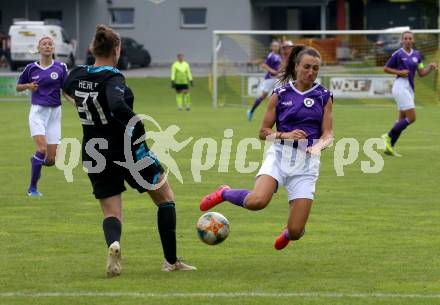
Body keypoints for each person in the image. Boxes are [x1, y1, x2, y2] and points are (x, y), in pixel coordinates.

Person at [63, 25, 196, 277]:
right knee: (165, 199)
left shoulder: (77, 74)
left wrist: (81, 106)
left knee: (112, 213)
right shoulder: (113, 77)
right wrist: (139, 126)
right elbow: (117, 105)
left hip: (94, 151)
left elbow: (66, 86)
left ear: (92, 48)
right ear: (117, 49)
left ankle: (114, 244)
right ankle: (171, 262)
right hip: (127, 150)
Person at [200, 46, 333, 251]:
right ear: (296, 66)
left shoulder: (324, 96)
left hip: (306, 166)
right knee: (257, 201)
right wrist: (284, 135)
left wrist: (319, 146)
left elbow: (328, 134)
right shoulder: (280, 94)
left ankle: (290, 232)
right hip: (279, 157)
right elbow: (263, 132)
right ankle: (224, 193)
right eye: (306, 67)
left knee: (297, 232)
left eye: (316, 69)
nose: (311, 72)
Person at [16, 36, 68, 197]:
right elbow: (18, 87)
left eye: (50, 44)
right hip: (38, 113)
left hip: (55, 114)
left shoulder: (61, 67)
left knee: (51, 160)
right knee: (42, 148)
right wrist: (28, 86)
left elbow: (66, 90)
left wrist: (75, 102)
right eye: (44, 44)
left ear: (53, 48)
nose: (47, 46)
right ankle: (32, 188)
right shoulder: (31, 68)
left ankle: (36, 160)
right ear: (39, 48)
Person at [381, 31, 437, 156]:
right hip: (400, 86)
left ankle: (389, 147)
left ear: (413, 40)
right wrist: (400, 72)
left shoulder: (417, 55)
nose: (407, 40)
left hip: (409, 88)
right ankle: (388, 135)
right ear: (402, 41)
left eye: (410, 38)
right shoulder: (398, 54)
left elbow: (421, 73)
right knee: (412, 118)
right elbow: (385, 68)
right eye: (405, 38)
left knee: (401, 119)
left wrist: (430, 67)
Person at [247, 40, 282, 122]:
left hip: (277, 79)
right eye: (274, 46)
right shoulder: (271, 55)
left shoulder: (279, 56)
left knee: (279, 96)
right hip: (269, 78)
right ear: (272, 47)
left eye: (277, 46)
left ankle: (276, 115)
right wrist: (272, 71)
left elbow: (278, 67)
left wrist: (280, 73)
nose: (276, 47)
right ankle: (251, 111)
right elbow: (264, 65)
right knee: (263, 96)